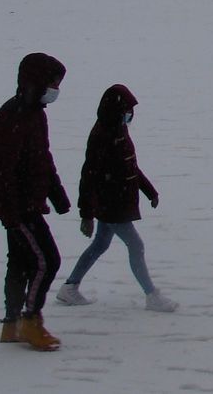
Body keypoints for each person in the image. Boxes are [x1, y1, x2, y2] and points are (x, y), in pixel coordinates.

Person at [56, 85, 178, 313]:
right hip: (111, 204)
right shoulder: (103, 136)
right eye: (127, 110)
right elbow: (88, 176)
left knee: (100, 244)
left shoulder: (119, 130)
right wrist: (87, 214)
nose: (130, 115)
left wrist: (149, 191)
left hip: (119, 201)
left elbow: (130, 165)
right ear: (116, 110)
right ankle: (152, 295)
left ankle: (70, 287)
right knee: (136, 245)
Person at [0, 53, 70, 351]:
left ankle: (11, 326)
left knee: (21, 263)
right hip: (18, 207)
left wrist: (57, 193)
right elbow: (2, 170)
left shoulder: (36, 113)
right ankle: (30, 320)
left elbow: (42, 158)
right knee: (47, 261)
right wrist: (10, 213)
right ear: (35, 82)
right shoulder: (11, 117)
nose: (56, 89)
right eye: (52, 83)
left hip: (29, 203)